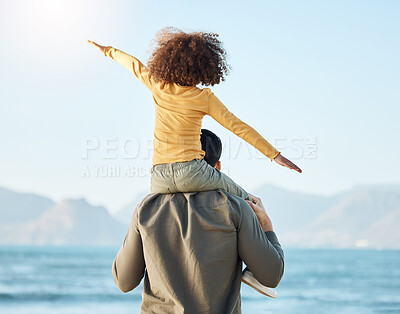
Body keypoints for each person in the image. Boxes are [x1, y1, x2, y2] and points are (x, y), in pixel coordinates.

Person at [87, 27, 301, 205]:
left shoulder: (158, 85)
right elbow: (238, 126)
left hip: (158, 178)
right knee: (250, 201)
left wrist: (107, 50)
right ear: (205, 69)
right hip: (192, 173)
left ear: (167, 62)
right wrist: (274, 155)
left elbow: (133, 64)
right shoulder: (204, 98)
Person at [111, 129, 285, 313]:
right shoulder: (235, 208)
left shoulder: (145, 209)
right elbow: (271, 276)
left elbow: (124, 281)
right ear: (217, 167)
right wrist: (266, 226)